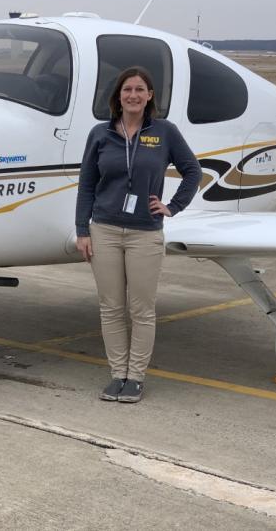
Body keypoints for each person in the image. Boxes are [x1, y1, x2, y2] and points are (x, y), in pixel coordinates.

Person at [75, 66, 201, 403]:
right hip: (104, 230)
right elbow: (86, 184)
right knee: (111, 307)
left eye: (139, 89)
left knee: (141, 309)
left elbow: (193, 171)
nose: (133, 95)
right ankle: (118, 374)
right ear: (118, 96)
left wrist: (173, 206)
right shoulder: (100, 135)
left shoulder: (164, 132)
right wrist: (81, 230)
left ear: (149, 97)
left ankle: (136, 377)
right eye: (127, 89)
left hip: (145, 233)